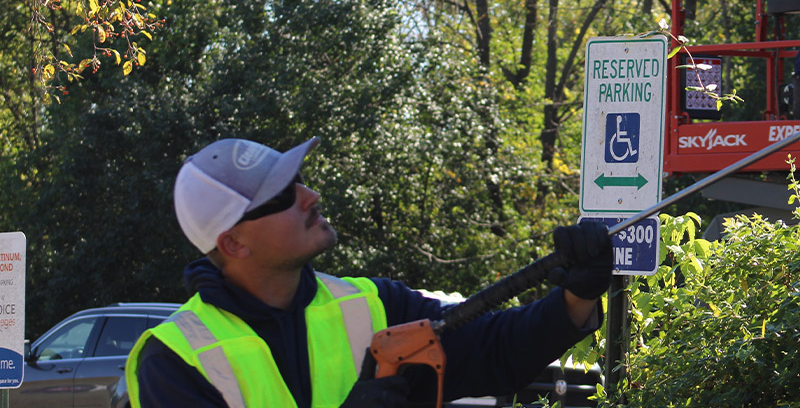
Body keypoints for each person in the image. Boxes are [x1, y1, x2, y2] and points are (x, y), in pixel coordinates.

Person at [126, 136, 612, 407]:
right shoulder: (175, 360)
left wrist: (577, 297)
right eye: (280, 196)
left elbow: (493, 349)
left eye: (297, 181)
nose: (309, 197)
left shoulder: (372, 306)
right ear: (232, 242)